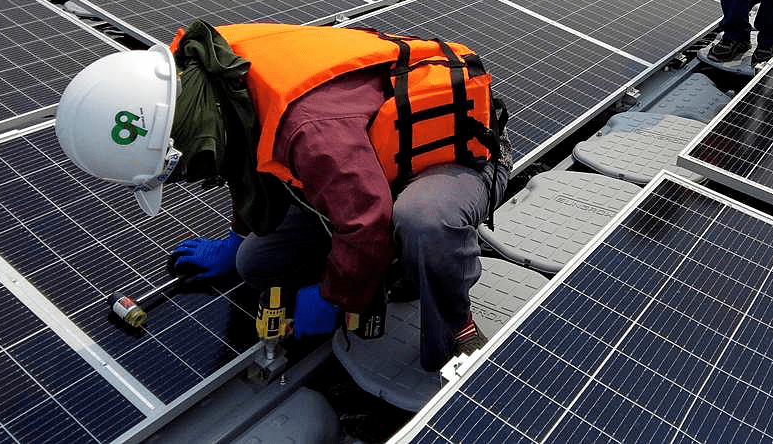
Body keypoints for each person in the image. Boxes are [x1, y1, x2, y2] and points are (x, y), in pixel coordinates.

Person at [54, 21, 511, 372]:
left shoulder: (309, 129)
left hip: (456, 157)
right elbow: (246, 161)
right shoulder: (209, 81)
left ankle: (456, 327)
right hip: (363, 165)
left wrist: (333, 297)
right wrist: (236, 239)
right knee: (254, 263)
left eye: (174, 171)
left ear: (179, 139)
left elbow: (367, 218)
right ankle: (377, 266)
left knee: (421, 221)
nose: (183, 179)